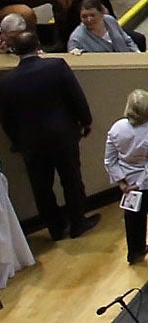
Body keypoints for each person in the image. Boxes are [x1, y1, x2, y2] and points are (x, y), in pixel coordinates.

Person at [0, 16, 94, 240]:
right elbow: (76, 97)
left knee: (42, 188)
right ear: (38, 46)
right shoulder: (56, 66)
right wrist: (86, 121)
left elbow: (6, 118)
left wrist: (17, 142)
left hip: (31, 142)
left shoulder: (6, 81)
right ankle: (78, 223)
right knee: (71, 179)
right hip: (62, 134)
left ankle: (55, 228)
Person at [104, 88, 148, 269]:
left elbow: (110, 160)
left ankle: (135, 250)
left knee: (132, 216)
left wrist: (122, 183)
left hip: (128, 181)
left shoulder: (116, 128)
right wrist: (141, 184)